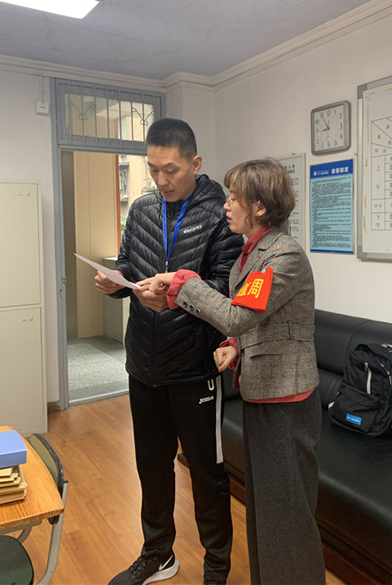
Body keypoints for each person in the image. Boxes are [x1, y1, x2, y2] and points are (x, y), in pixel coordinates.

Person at [146, 158, 326, 585]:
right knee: (266, 510)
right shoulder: (251, 254)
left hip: (287, 404)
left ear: (259, 206)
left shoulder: (282, 256)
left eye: (233, 198)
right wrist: (234, 346)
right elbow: (256, 322)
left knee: (288, 516)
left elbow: (236, 315)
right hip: (263, 395)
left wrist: (184, 283)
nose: (226, 205)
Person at [95, 118, 244, 585]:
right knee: (151, 468)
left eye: (171, 170)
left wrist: (176, 296)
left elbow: (227, 289)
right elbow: (128, 264)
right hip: (142, 364)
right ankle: (158, 553)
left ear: (195, 163)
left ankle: (216, 568)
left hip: (193, 369)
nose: (161, 179)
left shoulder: (221, 215)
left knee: (206, 475)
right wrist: (114, 283)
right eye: (153, 169)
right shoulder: (142, 209)